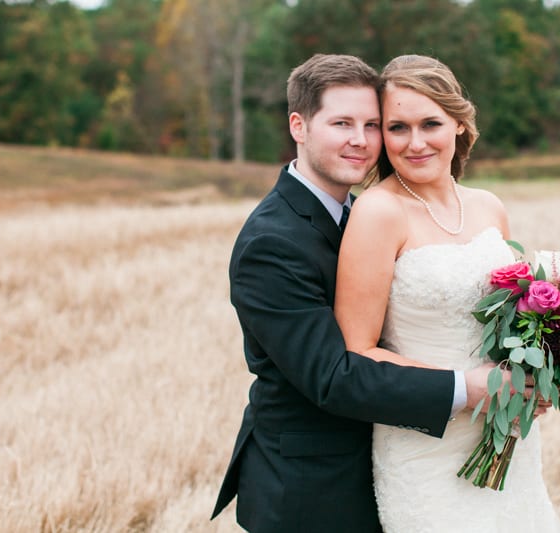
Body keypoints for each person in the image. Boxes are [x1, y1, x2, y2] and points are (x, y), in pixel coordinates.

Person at [211, 54, 503, 533]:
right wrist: (468, 387)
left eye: (371, 124)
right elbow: (332, 377)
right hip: (312, 488)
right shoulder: (272, 241)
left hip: (406, 458)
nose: (360, 140)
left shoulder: (362, 211)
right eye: (342, 123)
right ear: (299, 126)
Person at [334, 54, 560, 532]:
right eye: (398, 128)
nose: (415, 143)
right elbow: (357, 350)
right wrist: (469, 387)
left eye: (430, 124)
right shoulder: (378, 212)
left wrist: (537, 375)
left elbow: (513, 320)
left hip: (507, 440)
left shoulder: (488, 207)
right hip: (426, 448)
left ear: (459, 122)